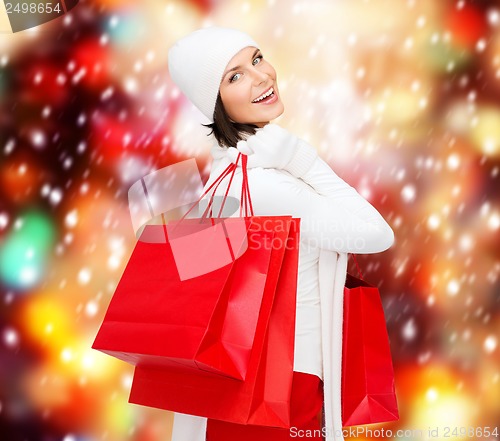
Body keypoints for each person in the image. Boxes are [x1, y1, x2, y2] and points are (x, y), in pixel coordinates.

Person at [167, 27, 394, 441]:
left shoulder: (220, 179)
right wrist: (302, 159)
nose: (261, 77)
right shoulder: (267, 183)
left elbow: (201, 269)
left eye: (256, 59)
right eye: (233, 76)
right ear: (213, 103)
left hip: (239, 380)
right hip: (284, 381)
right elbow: (376, 233)